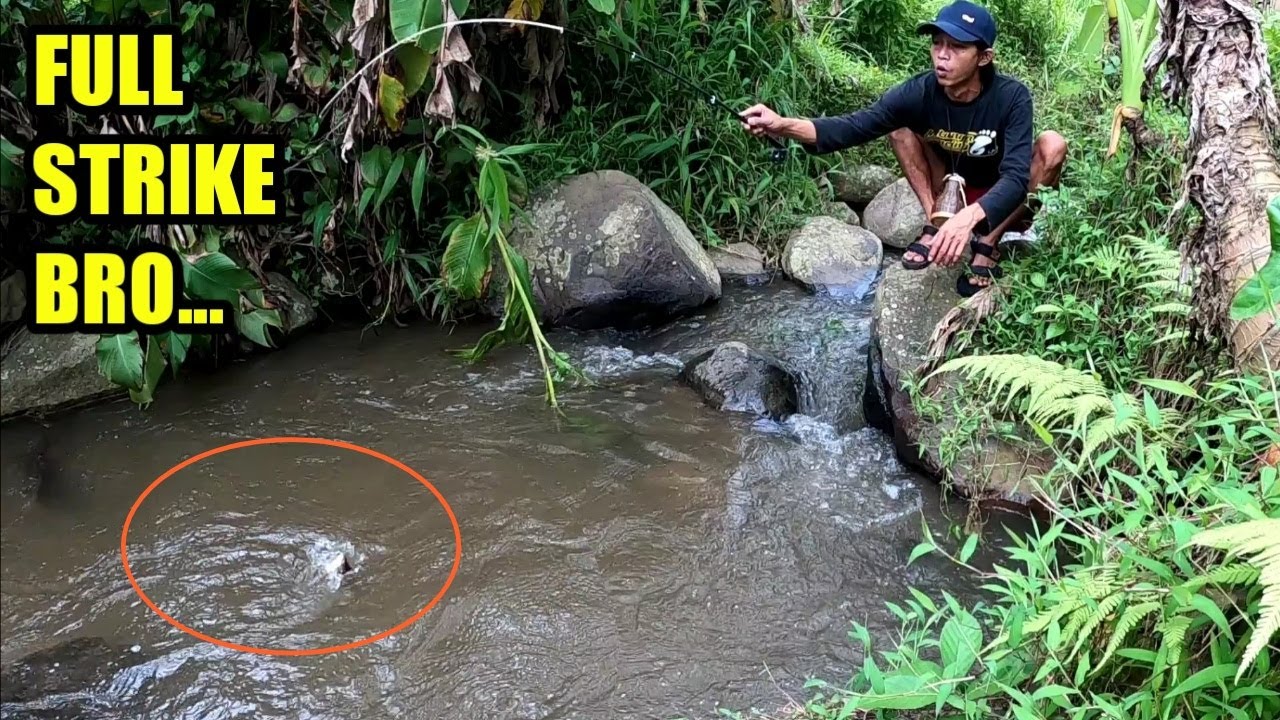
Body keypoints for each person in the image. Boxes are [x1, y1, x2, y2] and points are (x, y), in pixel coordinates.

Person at [740, 0, 1067, 296]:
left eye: (956, 47)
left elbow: (1013, 179)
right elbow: (854, 126)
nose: (942, 54)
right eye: (937, 43)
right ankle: (934, 223)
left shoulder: (1011, 97)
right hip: (948, 189)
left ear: (984, 57)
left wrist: (969, 221)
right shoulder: (918, 92)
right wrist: (782, 125)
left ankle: (988, 243)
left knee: (1053, 145)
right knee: (898, 125)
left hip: (998, 200)